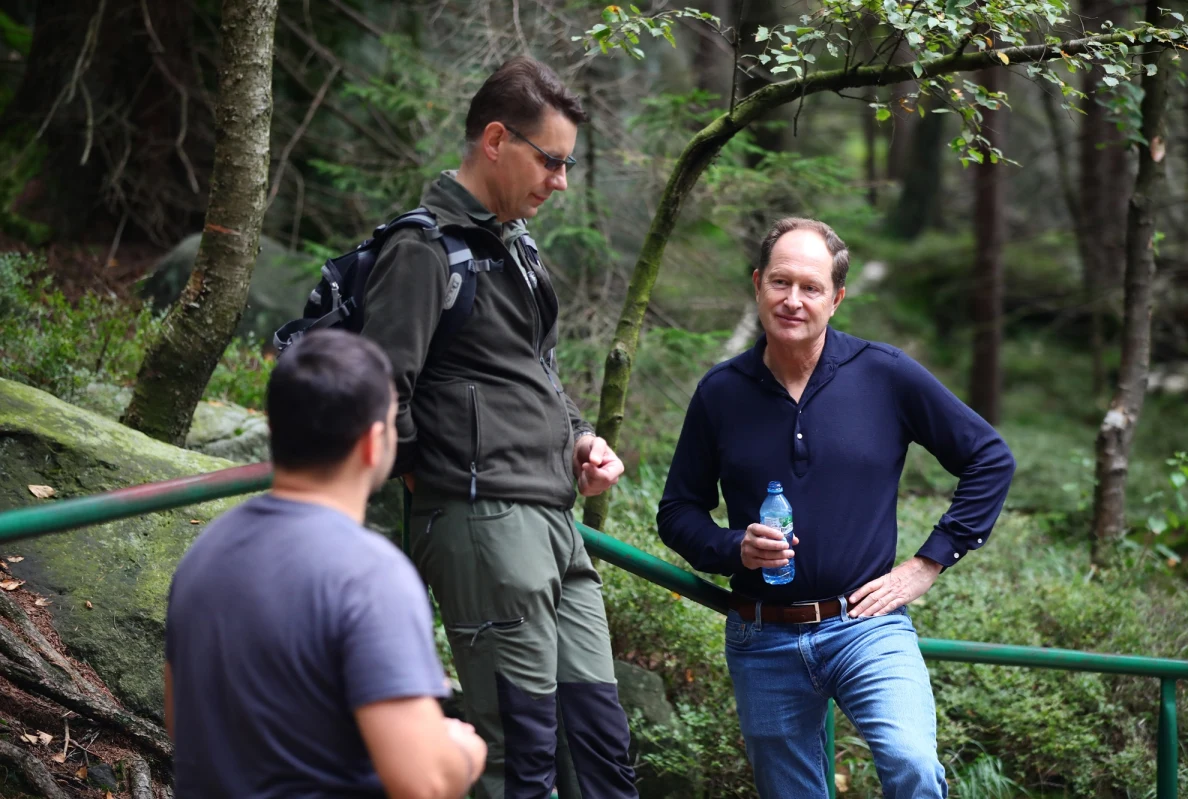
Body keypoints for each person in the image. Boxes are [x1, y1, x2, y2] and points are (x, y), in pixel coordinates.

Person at [657, 218, 1017, 798]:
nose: (792, 300)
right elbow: (677, 511)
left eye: (811, 287)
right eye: (780, 282)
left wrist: (927, 563)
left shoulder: (884, 373)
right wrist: (734, 548)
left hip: (867, 628)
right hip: (762, 636)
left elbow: (990, 459)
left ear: (836, 298)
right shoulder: (720, 393)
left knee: (913, 765)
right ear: (757, 285)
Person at [361, 57, 638, 799]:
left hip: (554, 519)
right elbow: (385, 388)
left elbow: (534, 374)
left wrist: (580, 436)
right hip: (485, 520)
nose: (561, 181)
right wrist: (436, 475)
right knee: (522, 753)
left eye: (568, 164)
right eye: (551, 161)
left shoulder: (517, 246)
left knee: (602, 743)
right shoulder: (424, 249)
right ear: (494, 139)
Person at [164, 330, 487, 799]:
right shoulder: (371, 573)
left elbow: (181, 723)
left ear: (275, 431)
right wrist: (461, 750)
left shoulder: (204, 553)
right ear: (374, 443)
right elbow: (425, 784)